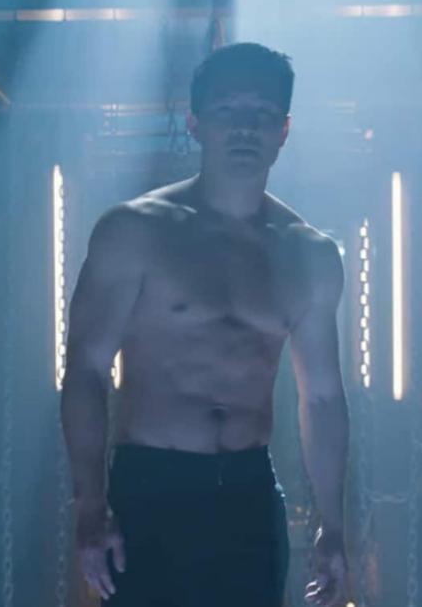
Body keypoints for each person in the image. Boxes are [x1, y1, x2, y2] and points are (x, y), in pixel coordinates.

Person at [61, 42, 349, 607]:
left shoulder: (308, 254)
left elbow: (322, 396)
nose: (245, 128)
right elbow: (86, 369)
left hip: (248, 491)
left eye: (262, 113)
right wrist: (91, 504)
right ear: (195, 122)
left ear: (284, 129)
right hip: (151, 486)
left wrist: (332, 525)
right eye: (227, 111)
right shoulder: (136, 231)